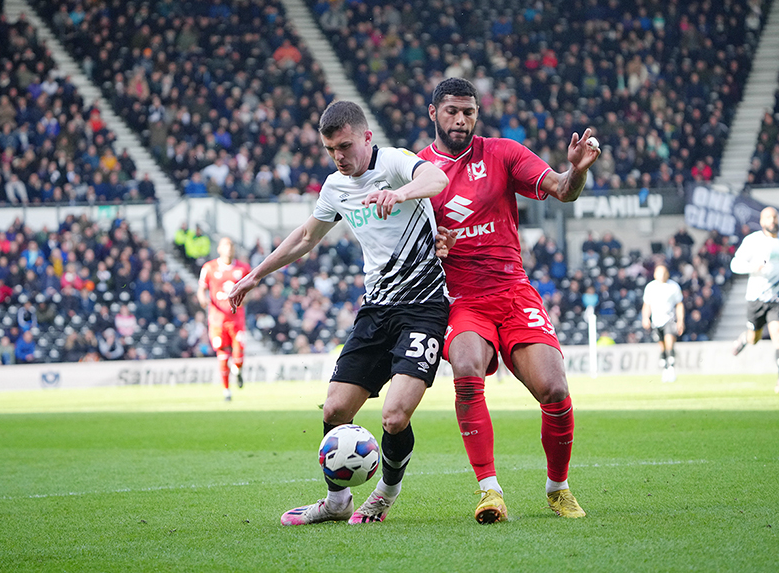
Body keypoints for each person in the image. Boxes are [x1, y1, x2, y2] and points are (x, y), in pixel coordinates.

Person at [228, 100, 450, 526]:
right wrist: (256, 274)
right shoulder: (335, 186)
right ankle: (336, 501)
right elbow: (306, 236)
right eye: (332, 150)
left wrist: (399, 192)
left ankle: (385, 493)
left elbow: (436, 177)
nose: (340, 157)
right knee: (333, 411)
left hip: (423, 308)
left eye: (345, 146)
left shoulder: (396, 162)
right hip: (376, 310)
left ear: (367, 137)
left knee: (395, 415)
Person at [417, 78, 599, 523]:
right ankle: (489, 490)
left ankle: (558, 488)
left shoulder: (502, 152)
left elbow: (562, 189)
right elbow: (401, 239)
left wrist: (577, 170)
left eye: (469, 112)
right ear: (433, 113)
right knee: (464, 365)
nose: (461, 120)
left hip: (513, 291)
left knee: (554, 389)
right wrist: (431, 243)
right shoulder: (416, 169)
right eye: (452, 111)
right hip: (463, 298)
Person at [731, 206, 779, 393]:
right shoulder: (753, 241)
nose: (772, 220)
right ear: (761, 221)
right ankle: (745, 337)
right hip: (756, 298)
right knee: (754, 339)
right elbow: (734, 264)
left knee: (777, 334)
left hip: (776, 299)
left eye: (774, 216)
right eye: (768, 217)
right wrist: (753, 266)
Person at [197, 237, 251, 401]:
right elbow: (201, 289)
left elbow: (251, 289)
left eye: (231, 245)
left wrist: (246, 298)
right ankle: (226, 390)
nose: (229, 248)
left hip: (237, 318)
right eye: (226, 245)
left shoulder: (243, 268)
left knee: (238, 351)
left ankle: (238, 369)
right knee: (222, 353)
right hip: (217, 319)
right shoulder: (209, 267)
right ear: (219, 248)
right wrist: (202, 299)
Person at [641, 264, 685, 383]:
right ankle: (665, 368)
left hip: (669, 319)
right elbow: (647, 304)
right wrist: (645, 318)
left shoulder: (673, 287)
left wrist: (680, 320)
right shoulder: (650, 287)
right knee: (662, 346)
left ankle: (671, 369)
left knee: (669, 343)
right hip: (656, 320)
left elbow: (679, 304)